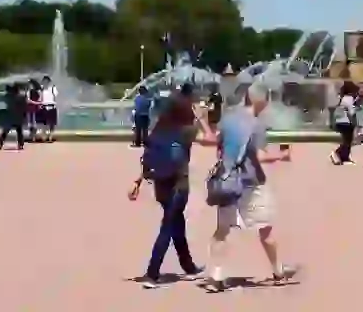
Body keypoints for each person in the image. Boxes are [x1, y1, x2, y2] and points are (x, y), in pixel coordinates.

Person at [194, 83, 300, 291]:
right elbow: (260, 157)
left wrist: (202, 121)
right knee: (266, 230)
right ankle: (278, 272)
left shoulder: (228, 119)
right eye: (267, 99)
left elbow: (213, 141)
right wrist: (283, 155)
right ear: (260, 100)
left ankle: (215, 277)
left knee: (222, 231)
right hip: (251, 183)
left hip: (227, 181)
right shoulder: (257, 125)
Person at [128, 95, 205, 289]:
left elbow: (148, 158)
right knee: (168, 227)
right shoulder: (186, 131)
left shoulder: (158, 131)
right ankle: (152, 273)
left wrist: (138, 180)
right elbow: (211, 139)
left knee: (176, 223)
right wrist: (202, 118)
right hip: (178, 185)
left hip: (160, 185)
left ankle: (188, 267)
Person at [330, 81, 358, 166]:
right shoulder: (349, 98)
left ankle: (345, 157)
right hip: (346, 122)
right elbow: (351, 112)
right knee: (347, 141)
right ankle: (336, 153)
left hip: (340, 121)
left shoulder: (342, 98)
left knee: (347, 140)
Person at [0, 84, 27, 151]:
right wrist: (24, 115)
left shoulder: (8, 96)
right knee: (19, 131)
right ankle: (21, 145)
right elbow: (25, 107)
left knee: (5, 131)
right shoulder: (22, 97)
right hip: (19, 117)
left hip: (10, 116)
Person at [38, 75, 59, 142]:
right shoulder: (41, 89)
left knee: (52, 124)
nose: (45, 83)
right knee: (43, 124)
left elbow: (55, 97)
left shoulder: (53, 88)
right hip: (43, 107)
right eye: (44, 81)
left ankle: (50, 137)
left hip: (51, 107)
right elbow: (39, 97)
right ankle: (43, 137)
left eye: (47, 81)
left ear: (49, 82)